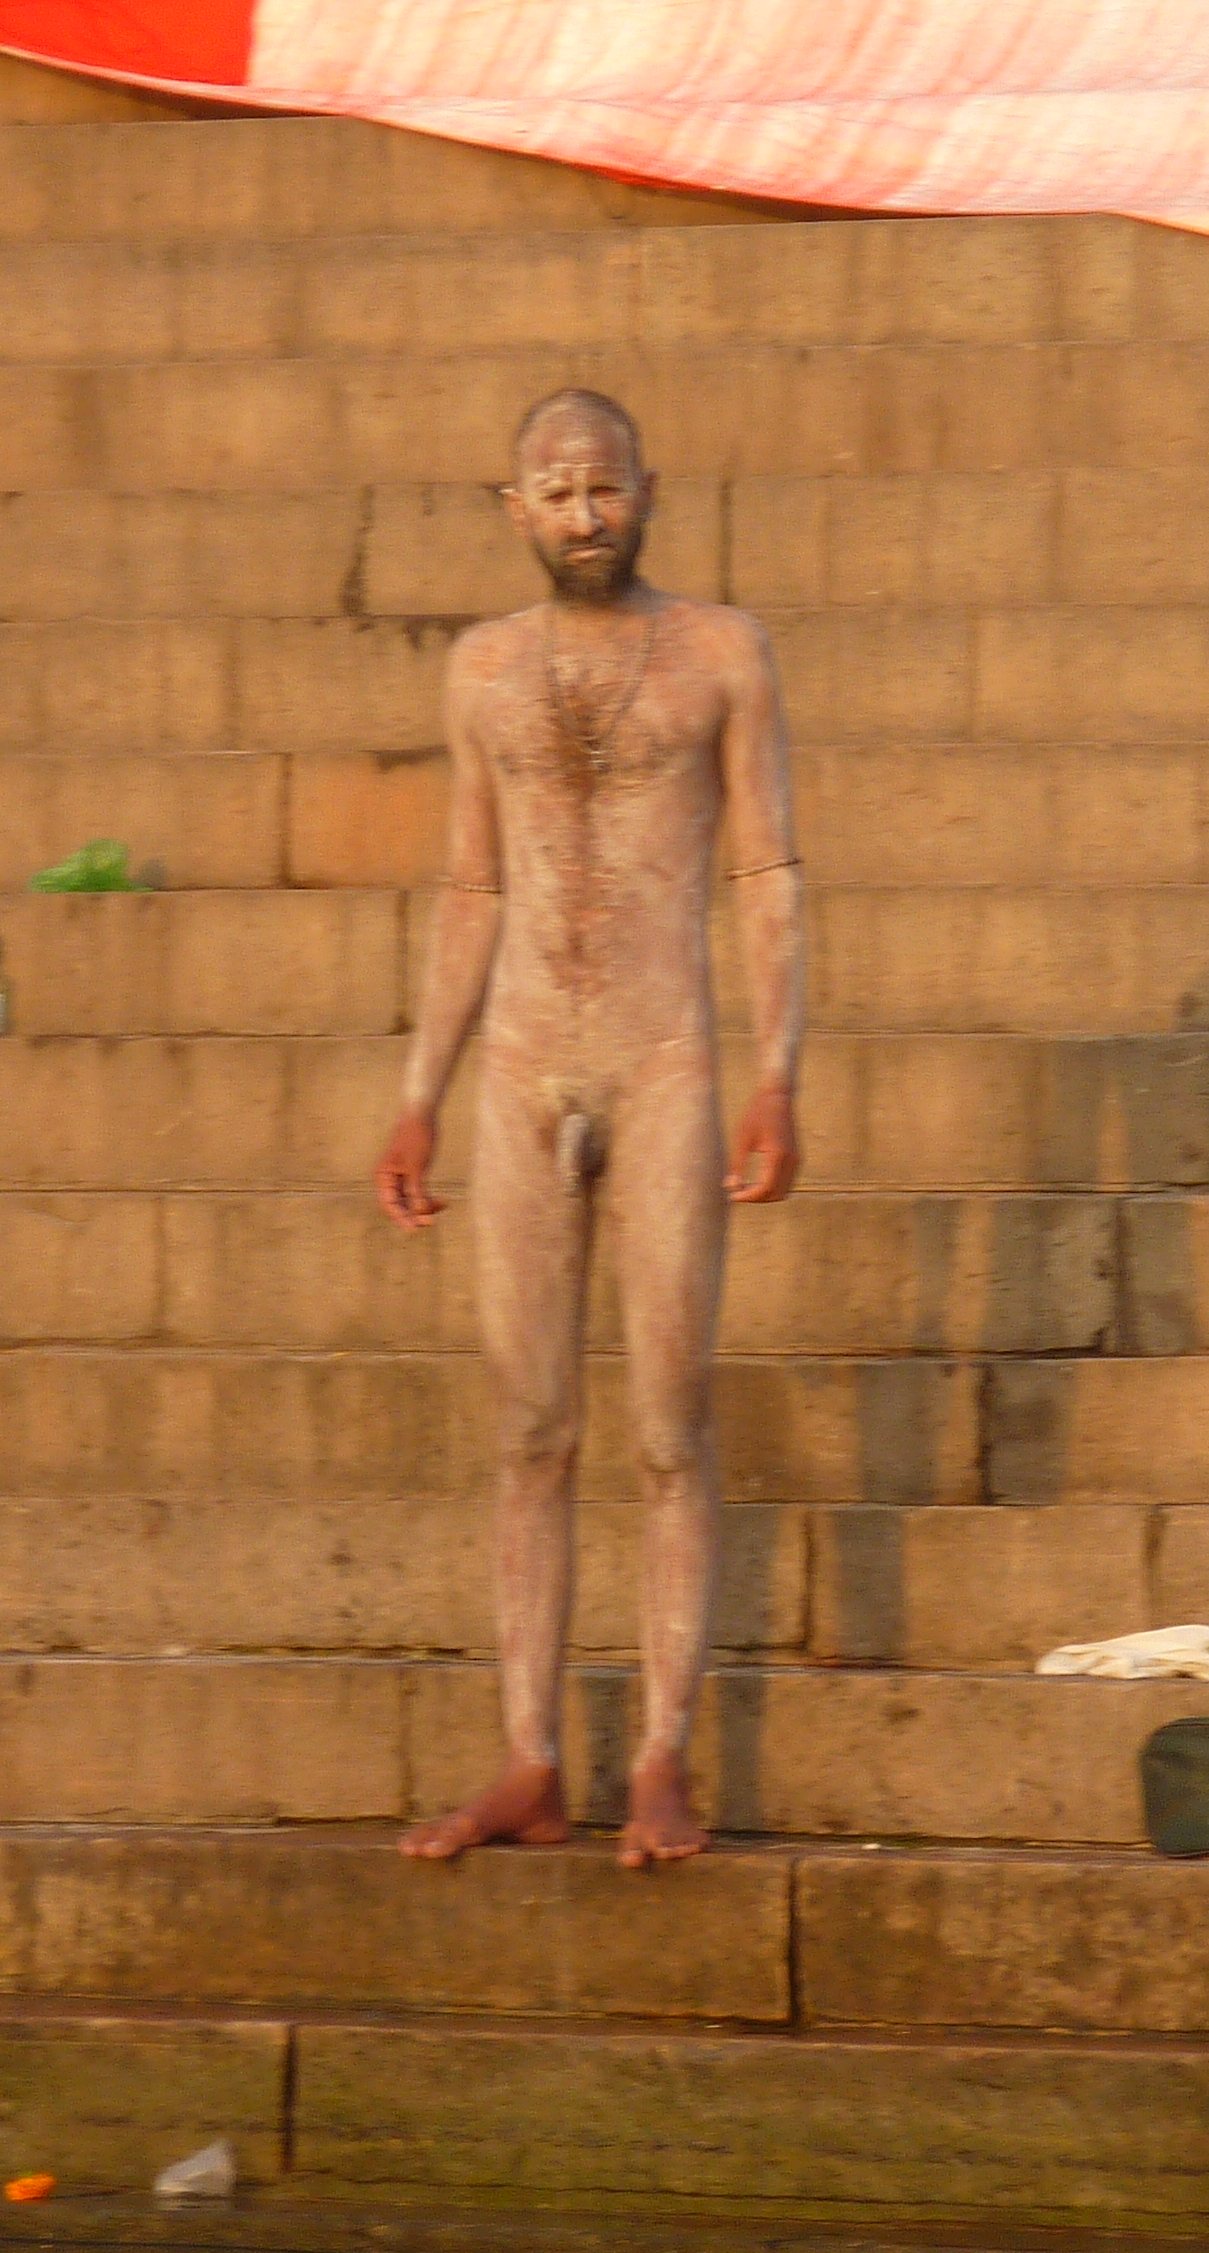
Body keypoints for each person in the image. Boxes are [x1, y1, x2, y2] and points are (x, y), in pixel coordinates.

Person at [373, 386, 804, 1868]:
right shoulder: (482, 669)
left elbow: (767, 868)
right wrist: (418, 1094)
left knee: (670, 1426)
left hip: (666, 1056)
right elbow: (471, 885)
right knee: (530, 1428)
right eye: (555, 494)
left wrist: (778, 1071)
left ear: (648, 490)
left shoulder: (722, 651)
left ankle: (665, 1756)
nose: (583, 516)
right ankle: (531, 1758)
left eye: (604, 488)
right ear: (516, 511)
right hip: (520, 1065)